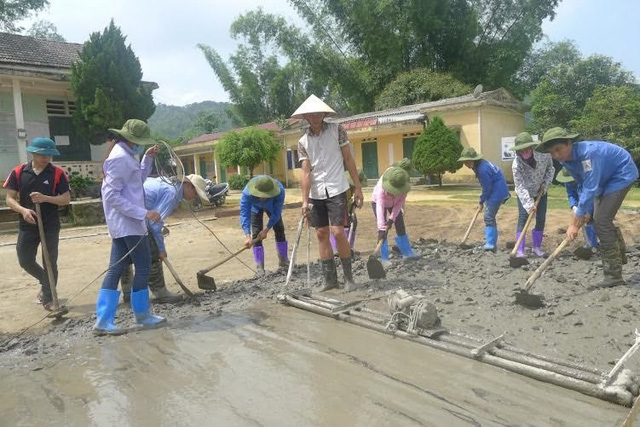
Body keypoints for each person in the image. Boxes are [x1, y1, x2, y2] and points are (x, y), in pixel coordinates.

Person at [535, 127, 638, 288]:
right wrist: (586, 212)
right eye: (551, 152)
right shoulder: (566, 160)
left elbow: (590, 187)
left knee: (602, 221)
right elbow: (582, 185)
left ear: (569, 143)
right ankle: (620, 257)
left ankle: (614, 275)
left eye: (558, 149)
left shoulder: (588, 155)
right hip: (603, 178)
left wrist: (574, 224)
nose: (556, 155)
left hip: (621, 174)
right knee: (598, 218)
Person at [94, 119, 165, 335]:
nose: (141, 145)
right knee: (143, 267)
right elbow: (111, 195)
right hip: (129, 224)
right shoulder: (120, 158)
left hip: (123, 224)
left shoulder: (124, 155)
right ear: (132, 140)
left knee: (115, 268)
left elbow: (136, 181)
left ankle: (103, 320)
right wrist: (144, 213)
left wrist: (147, 158)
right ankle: (142, 315)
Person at [292, 94, 363, 292]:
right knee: (321, 233)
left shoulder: (337, 130)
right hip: (316, 193)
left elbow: (348, 159)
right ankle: (330, 279)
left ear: (324, 113)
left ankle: (349, 278)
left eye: (318, 113)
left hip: (337, 188)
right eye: (310, 114)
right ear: (305, 117)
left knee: (338, 232)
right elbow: (306, 172)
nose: (314, 117)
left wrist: (357, 187)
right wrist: (304, 201)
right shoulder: (302, 142)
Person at [120, 174, 210, 303]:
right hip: (137, 219)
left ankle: (128, 293)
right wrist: (161, 250)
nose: (194, 198)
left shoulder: (166, 183)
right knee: (153, 256)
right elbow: (155, 224)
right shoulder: (172, 193)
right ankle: (160, 293)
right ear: (189, 186)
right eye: (195, 194)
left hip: (124, 216)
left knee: (125, 258)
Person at [3, 137, 70, 311]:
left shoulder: (57, 174)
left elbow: (65, 199)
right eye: (42, 155)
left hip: (50, 224)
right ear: (33, 153)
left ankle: (49, 299)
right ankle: (45, 281)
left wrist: (45, 198)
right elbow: (9, 199)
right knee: (24, 259)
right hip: (28, 223)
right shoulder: (18, 172)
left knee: (49, 260)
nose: (46, 158)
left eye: (49, 155)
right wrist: (23, 210)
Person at [510, 132, 554, 258]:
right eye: (521, 150)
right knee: (523, 217)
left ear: (531, 147)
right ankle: (520, 250)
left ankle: (536, 247)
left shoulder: (544, 155)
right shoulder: (516, 164)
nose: (524, 151)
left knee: (541, 218)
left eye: (527, 148)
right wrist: (529, 205)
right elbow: (520, 186)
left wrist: (545, 184)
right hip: (525, 193)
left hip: (541, 190)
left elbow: (551, 169)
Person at [458, 147, 510, 251]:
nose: (466, 165)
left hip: (497, 192)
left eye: (467, 162)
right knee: (490, 216)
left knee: (488, 216)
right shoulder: (482, 164)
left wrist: (481, 201)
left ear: (473, 160)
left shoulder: (482, 169)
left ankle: (490, 244)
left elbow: (487, 188)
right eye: (465, 162)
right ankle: (491, 243)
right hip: (498, 190)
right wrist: (482, 201)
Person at [371, 166, 419, 267]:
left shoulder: (403, 187)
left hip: (394, 204)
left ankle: (407, 253)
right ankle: (384, 258)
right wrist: (382, 227)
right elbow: (380, 207)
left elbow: (399, 204)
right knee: (382, 231)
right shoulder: (381, 190)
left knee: (400, 224)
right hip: (378, 202)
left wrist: (391, 219)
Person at [240, 175, 288, 275]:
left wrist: (266, 229)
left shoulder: (280, 191)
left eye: (265, 196)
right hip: (255, 208)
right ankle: (260, 268)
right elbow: (244, 213)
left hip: (272, 207)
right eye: (260, 195)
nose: (262, 198)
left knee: (279, 229)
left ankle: (283, 262)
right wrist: (247, 235)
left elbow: (276, 213)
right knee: (256, 233)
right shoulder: (247, 193)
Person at [555, 167, 599, 251]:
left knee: (594, 220)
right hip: (581, 202)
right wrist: (574, 206)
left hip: (594, 200)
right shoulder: (568, 182)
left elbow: (588, 196)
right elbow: (571, 194)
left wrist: (586, 211)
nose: (571, 182)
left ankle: (600, 244)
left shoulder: (586, 180)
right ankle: (591, 244)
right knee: (586, 223)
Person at [330, 168, 366, 254]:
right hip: (338, 207)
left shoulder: (352, 189)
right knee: (340, 225)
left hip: (347, 207)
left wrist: (353, 206)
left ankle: (349, 246)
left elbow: (351, 201)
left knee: (354, 223)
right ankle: (336, 249)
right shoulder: (343, 188)